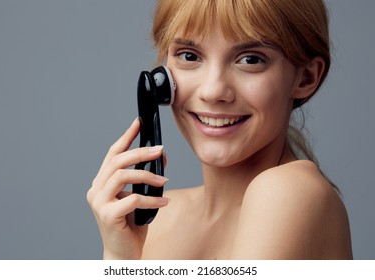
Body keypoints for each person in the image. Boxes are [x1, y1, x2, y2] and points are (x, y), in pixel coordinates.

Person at [87, 0, 353, 260]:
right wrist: (119, 259)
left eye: (250, 60)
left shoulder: (288, 192)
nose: (213, 91)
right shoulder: (155, 220)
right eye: (189, 56)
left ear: (306, 77)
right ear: (162, 80)